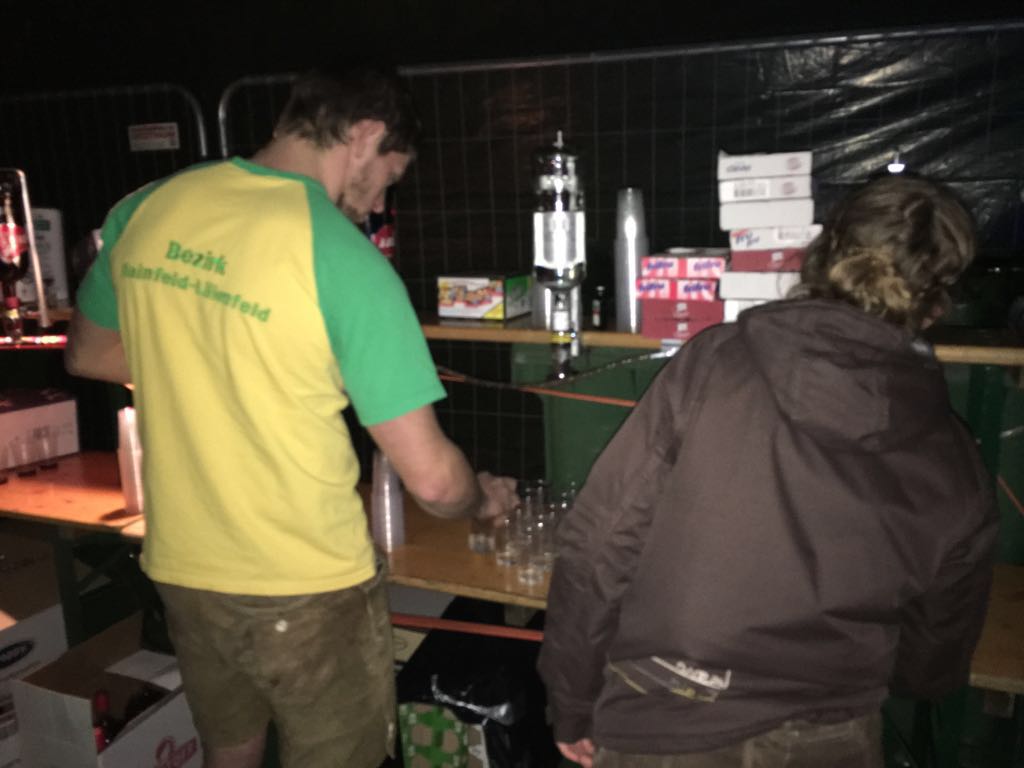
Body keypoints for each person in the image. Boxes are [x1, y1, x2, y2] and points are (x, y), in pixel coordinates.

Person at [65, 65, 517, 768]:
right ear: (365, 134)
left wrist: (214, 367)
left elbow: (89, 355)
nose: (379, 202)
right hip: (307, 588)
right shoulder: (342, 257)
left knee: (230, 753)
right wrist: (480, 499)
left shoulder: (148, 207)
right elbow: (432, 482)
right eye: (389, 177)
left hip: (184, 569)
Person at [537, 175, 999, 768]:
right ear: (936, 304)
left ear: (822, 255)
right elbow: (937, 646)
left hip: (672, 714)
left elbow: (600, 545)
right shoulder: (953, 451)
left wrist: (571, 696)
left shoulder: (717, 362)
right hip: (833, 732)